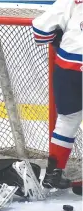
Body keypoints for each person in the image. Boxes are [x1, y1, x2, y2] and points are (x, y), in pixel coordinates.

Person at [32, 0, 82, 189]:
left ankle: (53, 173)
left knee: (67, 120)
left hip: (68, 68)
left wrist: (57, 38)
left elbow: (40, 29)